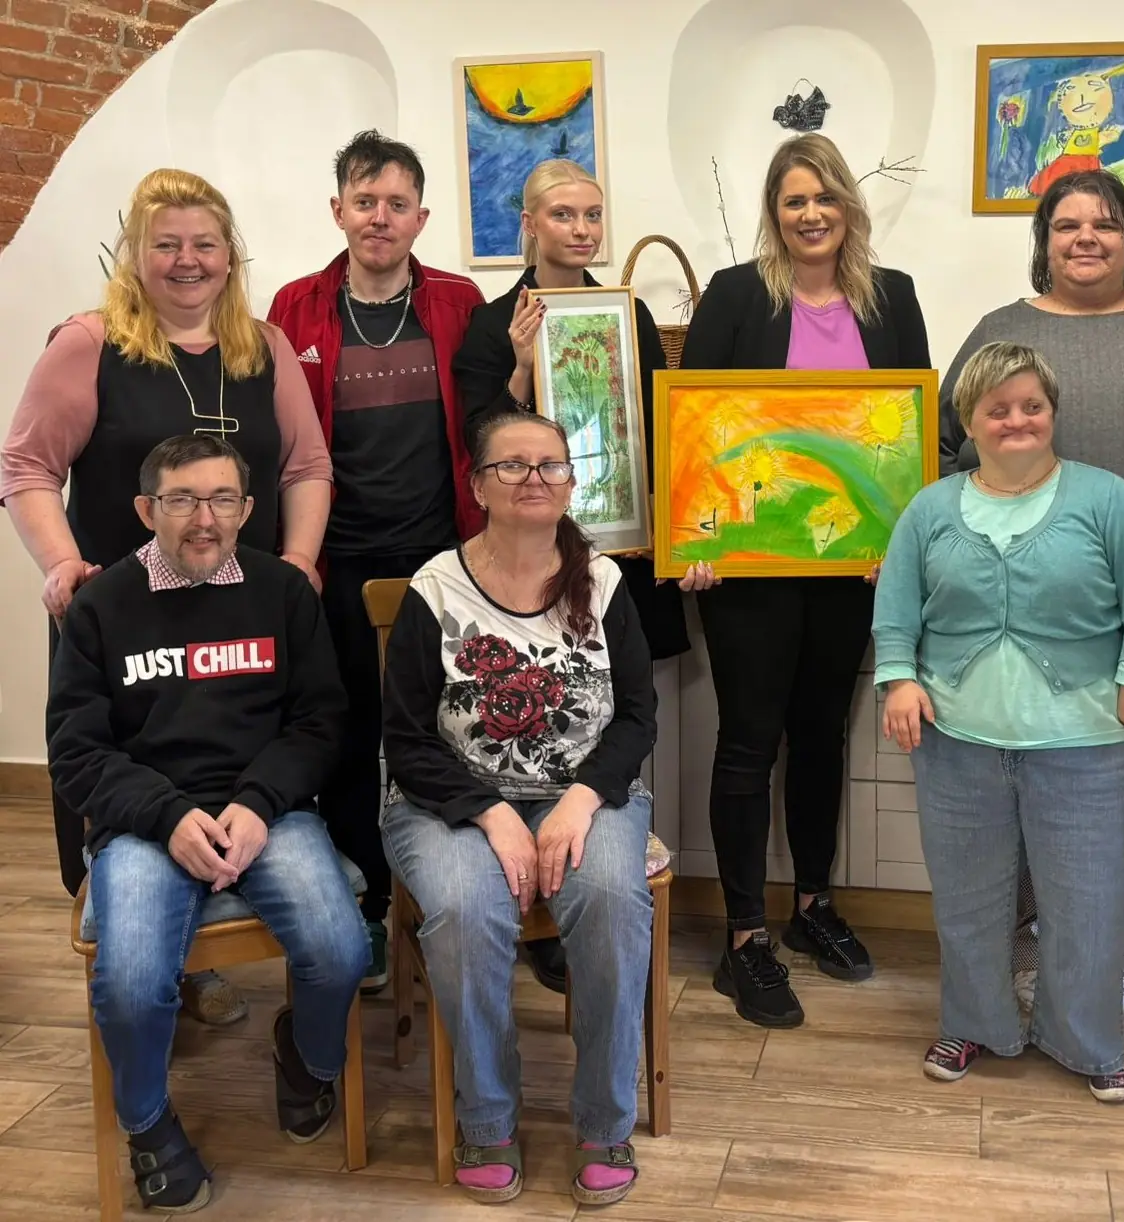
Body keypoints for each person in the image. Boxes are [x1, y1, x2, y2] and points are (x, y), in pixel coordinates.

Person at [1, 166, 332, 1029]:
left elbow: (305, 465)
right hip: (122, 622)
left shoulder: (262, 347)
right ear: (136, 254)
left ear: (230, 255)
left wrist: (298, 560)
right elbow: (27, 465)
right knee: (127, 784)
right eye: (167, 244)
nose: (188, 261)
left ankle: (200, 945)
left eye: (205, 244)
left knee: (238, 769)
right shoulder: (90, 342)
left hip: (239, 614)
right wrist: (61, 562)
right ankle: (157, 961)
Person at [45, 434, 365, 1214]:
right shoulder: (100, 607)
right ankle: (148, 1125)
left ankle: (308, 1062)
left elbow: (321, 723)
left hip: (268, 812)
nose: (204, 519)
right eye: (182, 499)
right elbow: (76, 753)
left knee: (341, 951)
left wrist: (257, 803)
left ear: (248, 509)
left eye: (222, 499)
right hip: (143, 825)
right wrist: (166, 816)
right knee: (130, 985)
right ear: (145, 508)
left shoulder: (282, 592)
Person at [938, 169, 1124, 1011]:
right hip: (1012, 615)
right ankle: (1031, 947)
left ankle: (1121, 951)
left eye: (1104, 223)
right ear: (1044, 243)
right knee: (1017, 781)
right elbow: (941, 451)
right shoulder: (1001, 331)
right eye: (1066, 225)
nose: (1086, 238)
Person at [876, 341, 1124, 1102]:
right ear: (969, 421)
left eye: (1031, 406)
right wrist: (899, 679)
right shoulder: (930, 509)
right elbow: (896, 606)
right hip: (957, 743)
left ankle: (1093, 1042)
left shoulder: (1107, 499)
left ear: (1052, 412)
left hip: (1087, 743)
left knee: (1089, 904)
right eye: (998, 409)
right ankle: (973, 1023)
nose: (1017, 420)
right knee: (967, 899)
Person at [678, 132, 931, 1028]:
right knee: (749, 741)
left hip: (852, 570)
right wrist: (692, 536)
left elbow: (913, 431)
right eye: (794, 200)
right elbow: (695, 428)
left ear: (848, 207)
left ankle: (813, 904)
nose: (811, 213)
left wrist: (901, 536)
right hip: (747, 573)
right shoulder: (736, 294)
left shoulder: (891, 297)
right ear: (774, 212)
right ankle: (744, 936)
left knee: (821, 736)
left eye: (825, 197)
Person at [380, 411, 656, 1207]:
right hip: (446, 800)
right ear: (477, 486)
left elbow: (637, 717)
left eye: (550, 465)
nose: (534, 478)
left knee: (610, 899)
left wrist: (579, 801)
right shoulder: (435, 586)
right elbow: (406, 738)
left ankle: (605, 1124)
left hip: (585, 796)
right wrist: (491, 814)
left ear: (571, 483)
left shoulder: (603, 582)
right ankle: (486, 1117)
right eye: (512, 465)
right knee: (467, 908)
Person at [452, 160, 691, 995]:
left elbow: (659, 429)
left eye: (592, 214)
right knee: (533, 720)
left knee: (606, 717)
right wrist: (522, 367)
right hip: (523, 558)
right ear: (529, 224)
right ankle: (534, 904)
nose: (581, 229)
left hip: (617, 553)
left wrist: (674, 527)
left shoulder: (626, 313)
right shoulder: (491, 325)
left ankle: (599, 891)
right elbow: (481, 443)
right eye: (562, 215)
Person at [269, 129, 487, 994]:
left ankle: (451, 900)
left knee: (447, 731)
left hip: (443, 561)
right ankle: (364, 900)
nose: (380, 218)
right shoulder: (294, 307)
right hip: (335, 563)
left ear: (420, 217)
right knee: (350, 734)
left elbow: (493, 412)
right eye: (365, 202)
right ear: (338, 211)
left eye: (397, 204)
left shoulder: (459, 301)